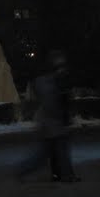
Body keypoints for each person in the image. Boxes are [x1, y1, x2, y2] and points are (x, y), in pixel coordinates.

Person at [17, 50, 80, 182]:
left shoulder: (50, 82)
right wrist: (62, 118)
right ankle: (65, 175)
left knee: (51, 152)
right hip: (52, 124)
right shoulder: (52, 83)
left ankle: (59, 174)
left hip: (51, 123)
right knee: (54, 152)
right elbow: (53, 103)